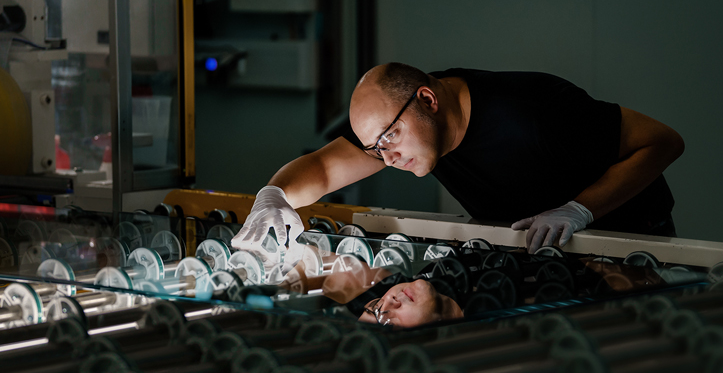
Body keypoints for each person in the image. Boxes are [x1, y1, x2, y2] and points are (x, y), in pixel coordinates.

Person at [232, 63, 684, 257]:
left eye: (389, 138)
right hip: (545, 257)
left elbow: (663, 142)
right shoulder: (406, 129)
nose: (387, 157)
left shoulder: (536, 112)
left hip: (632, 250)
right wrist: (275, 196)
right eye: (375, 148)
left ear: (427, 100)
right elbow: (324, 167)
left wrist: (579, 210)